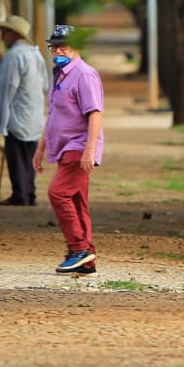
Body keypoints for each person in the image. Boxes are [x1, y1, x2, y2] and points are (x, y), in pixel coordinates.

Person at [34, 24, 106, 275]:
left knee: (58, 193)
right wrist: (41, 148)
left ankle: (79, 249)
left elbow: (95, 114)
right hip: (64, 148)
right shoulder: (59, 74)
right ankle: (87, 260)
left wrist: (89, 151)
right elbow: (54, 114)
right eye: (54, 47)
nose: (58, 51)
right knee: (76, 201)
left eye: (63, 46)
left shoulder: (85, 75)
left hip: (78, 146)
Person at [0, 16, 46, 206]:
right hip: (34, 113)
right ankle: (29, 193)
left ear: (14, 34)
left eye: (4, 33)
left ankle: (19, 194)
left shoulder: (14, 56)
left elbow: (8, 88)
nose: (2, 37)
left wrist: (2, 119)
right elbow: (45, 83)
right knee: (30, 155)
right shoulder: (35, 54)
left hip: (16, 113)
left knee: (16, 156)